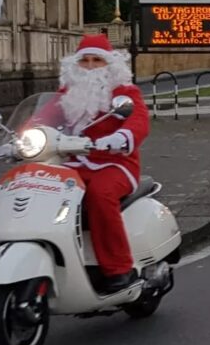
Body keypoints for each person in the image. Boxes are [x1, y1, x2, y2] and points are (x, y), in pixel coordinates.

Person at [33, 34, 151, 293]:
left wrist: (120, 137)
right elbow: (44, 117)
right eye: (84, 60)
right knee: (41, 187)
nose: (89, 66)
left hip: (114, 164)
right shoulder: (67, 94)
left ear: (108, 64)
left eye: (97, 60)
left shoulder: (125, 92)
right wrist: (22, 138)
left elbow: (139, 120)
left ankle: (119, 268)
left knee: (100, 193)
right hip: (73, 163)